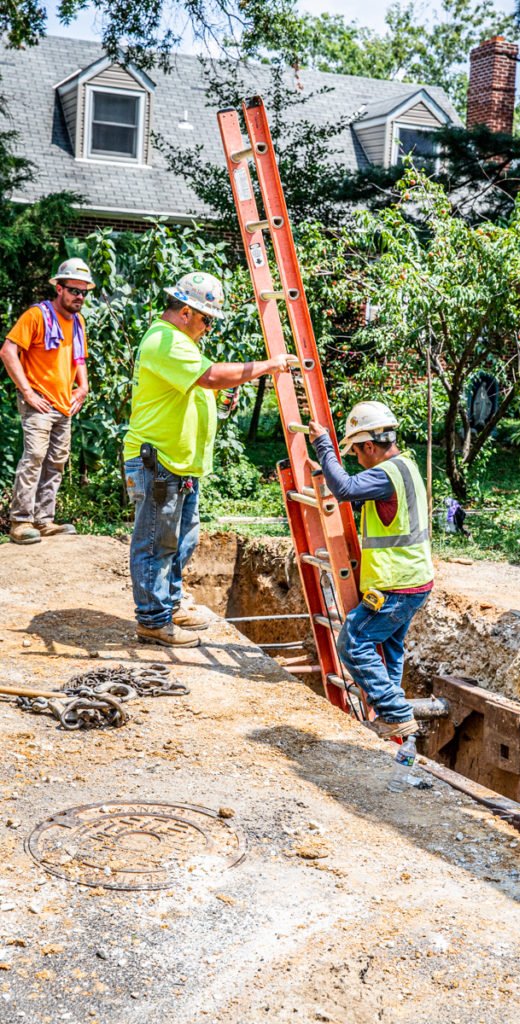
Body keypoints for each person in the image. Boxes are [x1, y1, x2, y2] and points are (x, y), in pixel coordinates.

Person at [123, 271, 297, 649]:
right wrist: (268, 366)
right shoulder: (165, 340)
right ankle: (153, 621)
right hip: (159, 462)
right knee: (156, 543)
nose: (208, 327)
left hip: (178, 463)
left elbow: (195, 389)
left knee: (181, 540)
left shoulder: (179, 342)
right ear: (186, 311)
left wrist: (215, 400)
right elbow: (209, 376)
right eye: (207, 319)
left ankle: (168, 605)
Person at [308, 401, 434, 738]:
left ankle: (395, 712)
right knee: (389, 650)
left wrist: (323, 447)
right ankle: (392, 720)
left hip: (396, 585)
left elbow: (345, 489)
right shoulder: (406, 466)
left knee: (353, 641)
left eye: (357, 453)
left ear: (369, 445)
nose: (357, 461)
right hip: (414, 580)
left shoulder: (385, 474)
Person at [0, 258, 95, 545]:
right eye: (73, 290)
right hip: (39, 402)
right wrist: (27, 392)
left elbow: (78, 357)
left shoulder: (77, 321)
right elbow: (7, 352)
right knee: (35, 458)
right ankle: (21, 522)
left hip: (64, 404)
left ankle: (43, 520)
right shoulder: (37, 316)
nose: (79, 296)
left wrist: (84, 386)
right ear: (59, 288)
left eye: (83, 292)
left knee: (56, 463)